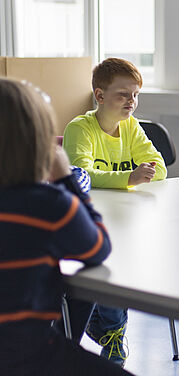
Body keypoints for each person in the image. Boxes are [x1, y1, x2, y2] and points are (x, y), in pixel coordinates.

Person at [0, 78, 133, 376]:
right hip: (30, 355)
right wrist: (67, 181)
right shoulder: (48, 205)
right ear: (39, 141)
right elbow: (98, 247)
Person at [63, 57, 167, 366]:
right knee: (110, 265)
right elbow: (80, 174)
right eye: (123, 94)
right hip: (88, 220)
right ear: (100, 96)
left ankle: (107, 326)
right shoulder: (80, 128)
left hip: (126, 216)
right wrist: (128, 177)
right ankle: (111, 331)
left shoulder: (130, 126)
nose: (131, 102)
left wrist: (138, 175)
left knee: (127, 260)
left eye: (135, 94)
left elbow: (158, 167)